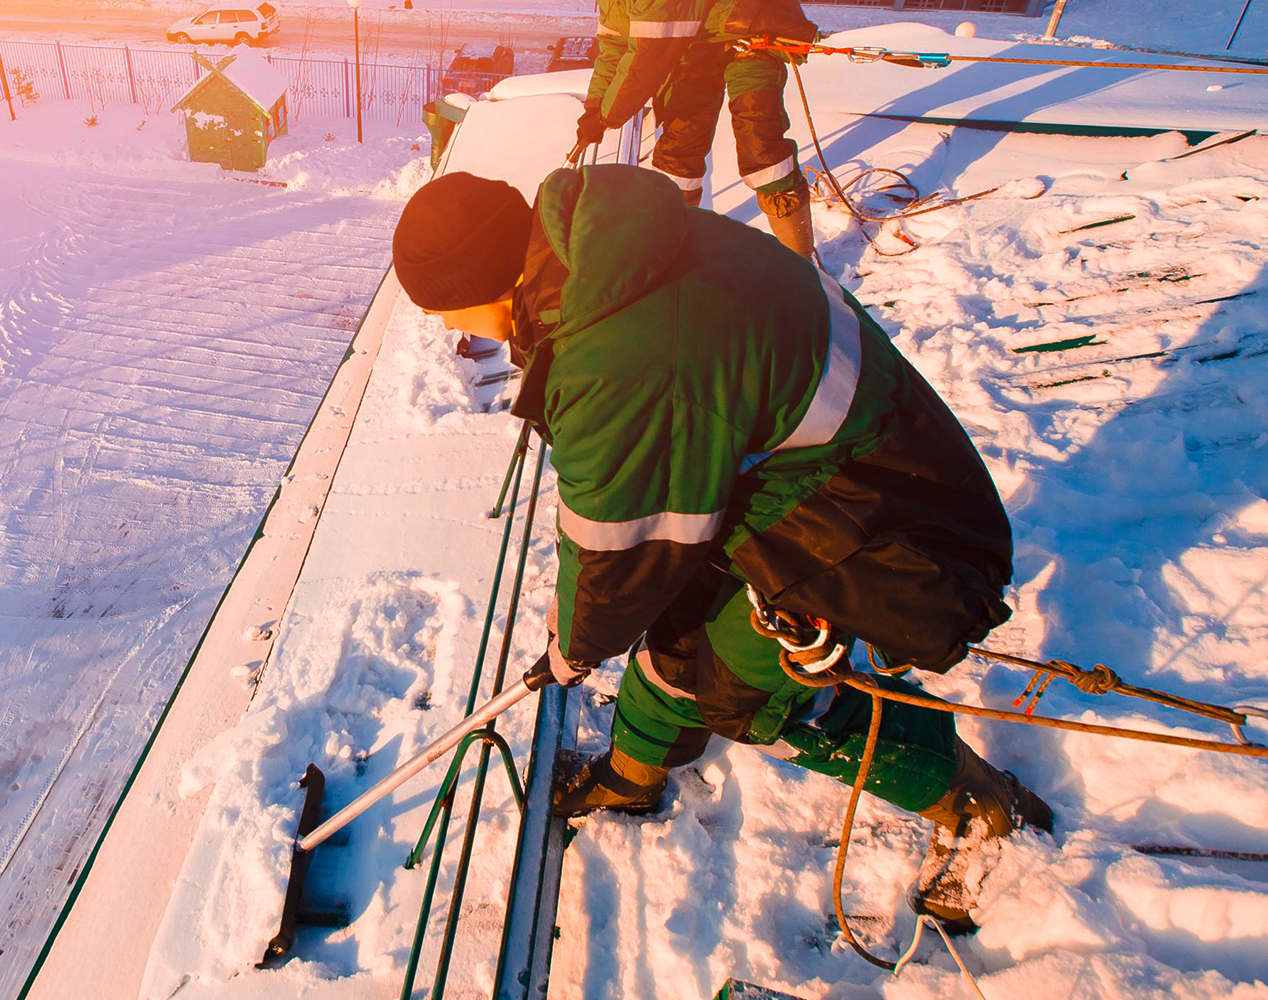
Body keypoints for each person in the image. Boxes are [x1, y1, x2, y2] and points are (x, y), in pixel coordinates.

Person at [390, 167, 1054, 929]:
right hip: (823, 468)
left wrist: (572, 647)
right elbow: (630, 525)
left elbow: (616, 550)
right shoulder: (606, 252)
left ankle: (975, 801)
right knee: (675, 625)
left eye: (448, 307)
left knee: (750, 694)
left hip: (881, 522)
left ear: (483, 278)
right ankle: (633, 776)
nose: (452, 328)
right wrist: (589, 622)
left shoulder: (614, 354)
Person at [577, 0, 822, 257]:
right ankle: (676, 262)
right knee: (677, 153)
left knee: (761, 148)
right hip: (695, 46)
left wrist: (607, 117)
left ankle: (803, 263)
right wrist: (594, 106)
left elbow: (647, 56)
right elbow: (614, 48)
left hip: (752, 29)